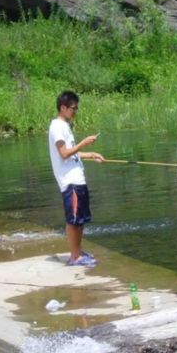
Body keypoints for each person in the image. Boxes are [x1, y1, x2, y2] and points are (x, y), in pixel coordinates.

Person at [48, 90, 104, 267]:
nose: (75, 112)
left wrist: (90, 154)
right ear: (63, 107)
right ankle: (74, 256)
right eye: (73, 108)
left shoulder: (65, 126)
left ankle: (78, 252)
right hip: (69, 181)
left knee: (80, 219)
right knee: (73, 220)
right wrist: (84, 142)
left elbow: (73, 153)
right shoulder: (57, 126)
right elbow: (63, 153)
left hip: (78, 179)